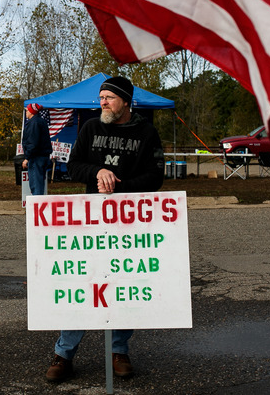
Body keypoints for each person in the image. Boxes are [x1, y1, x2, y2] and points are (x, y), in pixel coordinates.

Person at [45, 76, 165, 382]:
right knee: (83, 282)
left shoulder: (146, 132)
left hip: (128, 221)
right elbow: (73, 166)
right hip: (91, 219)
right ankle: (63, 354)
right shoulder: (90, 128)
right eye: (101, 98)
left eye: (110, 98)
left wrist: (120, 187)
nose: (103, 103)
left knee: (123, 285)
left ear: (126, 101)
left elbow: (156, 176)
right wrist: (98, 172)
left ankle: (119, 351)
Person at [21, 103, 53, 195]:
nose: (26, 112)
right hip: (43, 157)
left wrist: (27, 158)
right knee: (39, 183)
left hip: (36, 158)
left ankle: (37, 208)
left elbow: (33, 143)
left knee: (36, 185)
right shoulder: (41, 121)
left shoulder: (34, 123)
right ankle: (38, 205)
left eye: (27, 110)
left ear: (31, 112)